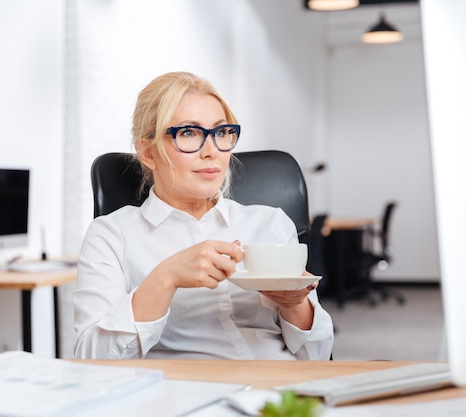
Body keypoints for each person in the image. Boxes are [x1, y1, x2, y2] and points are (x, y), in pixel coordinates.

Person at [73, 71, 334, 360]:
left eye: (221, 132)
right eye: (188, 133)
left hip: (278, 390)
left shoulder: (271, 223)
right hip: (184, 393)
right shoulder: (111, 235)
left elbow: (318, 357)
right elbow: (92, 360)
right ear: (148, 153)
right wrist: (165, 278)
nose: (212, 151)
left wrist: (294, 304)